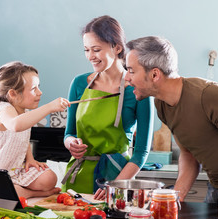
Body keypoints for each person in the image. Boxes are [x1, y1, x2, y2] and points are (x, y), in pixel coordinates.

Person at [124, 36, 218, 219]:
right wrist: (176, 197)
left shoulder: (209, 95)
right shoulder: (161, 105)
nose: (126, 78)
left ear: (155, 75)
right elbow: (188, 154)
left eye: (130, 70)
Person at [61, 15, 154, 199]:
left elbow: (141, 151)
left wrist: (115, 186)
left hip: (116, 180)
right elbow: (68, 133)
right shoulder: (79, 84)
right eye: (86, 50)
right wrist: (71, 143)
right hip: (77, 180)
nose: (90, 57)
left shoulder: (137, 89)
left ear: (117, 47)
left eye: (96, 50)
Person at [0, 61, 70, 199]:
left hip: (12, 171)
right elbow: (16, 125)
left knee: (49, 177)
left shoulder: (24, 112)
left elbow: (22, 138)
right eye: (33, 89)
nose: (40, 92)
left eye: (39, 87)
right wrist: (49, 107)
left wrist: (30, 158)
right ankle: (31, 193)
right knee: (7, 191)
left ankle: (20, 189)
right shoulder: (4, 110)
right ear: (13, 93)